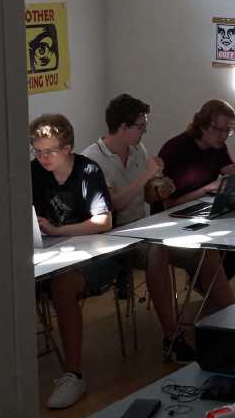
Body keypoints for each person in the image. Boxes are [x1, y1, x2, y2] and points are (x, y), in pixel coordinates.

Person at [80, 93, 198, 361]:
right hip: (112, 237)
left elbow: (145, 196)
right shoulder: (92, 159)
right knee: (158, 252)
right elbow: (113, 206)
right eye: (141, 126)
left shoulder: (137, 150)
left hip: (141, 229)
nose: (145, 130)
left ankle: (228, 324)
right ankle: (172, 337)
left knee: (201, 245)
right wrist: (146, 175)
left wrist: (160, 190)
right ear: (123, 127)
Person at [30, 113, 125, 409]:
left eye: (49, 151)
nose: (43, 158)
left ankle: (73, 374)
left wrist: (58, 230)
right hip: (50, 250)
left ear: (68, 147)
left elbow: (104, 222)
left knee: (62, 286)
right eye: (38, 151)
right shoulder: (34, 171)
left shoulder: (88, 171)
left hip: (97, 253)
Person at [150, 98, 235, 321]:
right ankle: (216, 297)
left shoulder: (216, 147)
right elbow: (169, 205)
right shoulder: (176, 149)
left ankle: (207, 287)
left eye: (228, 132)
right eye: (220, 130)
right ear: (204, 125)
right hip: (170, 220)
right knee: (219, 245)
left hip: (199, 212)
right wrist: (206, 189)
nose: (223, 136)